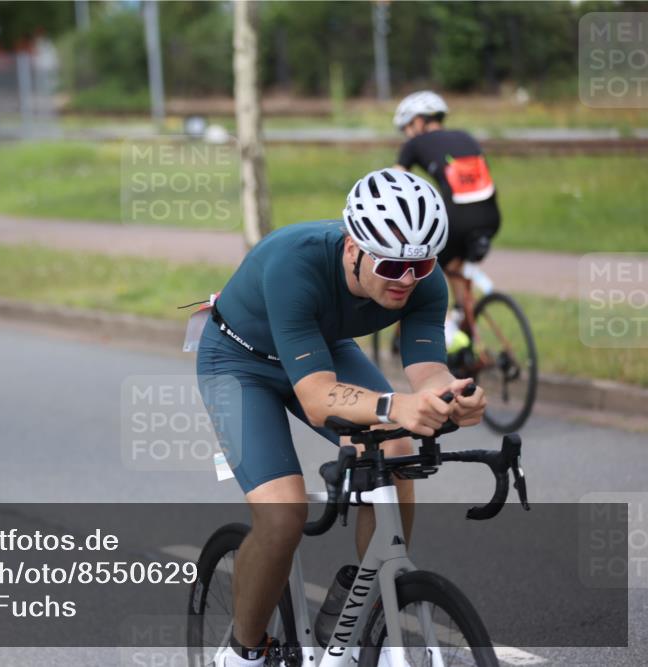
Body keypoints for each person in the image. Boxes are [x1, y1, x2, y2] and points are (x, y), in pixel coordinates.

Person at [196, 168, 487, 666]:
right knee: (284, 516)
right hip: (239, 364)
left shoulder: (420, 277)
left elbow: (428, 371)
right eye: (393, 268)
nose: (408, 280)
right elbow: (316, 397)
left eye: (421, 265)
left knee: (396, 449)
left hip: (319, 350)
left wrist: (453, 397)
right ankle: (244, 651)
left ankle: (362, 619)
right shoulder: (295, 261)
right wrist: (397, 405)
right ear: (353, 249)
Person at [392, 91, 502, 351]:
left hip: (457, 219)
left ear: (418, 122)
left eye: (407, 126)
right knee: (453, 263)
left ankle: (449, 334)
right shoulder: (466, 137)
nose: (407, 134)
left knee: (425, 267)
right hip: (491, 217)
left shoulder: (414, 144)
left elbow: (395, 187)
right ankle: (465, 327)